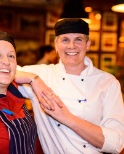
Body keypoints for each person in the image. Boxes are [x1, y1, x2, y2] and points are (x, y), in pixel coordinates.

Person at [15, 18, 124, 154]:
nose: (71, 46)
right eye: (65, 40)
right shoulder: (42, 74)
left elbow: (116, 143)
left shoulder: (107, 82)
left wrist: (66, 117)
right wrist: (34, 79)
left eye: (78, 39)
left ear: (88, 44)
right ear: (56, 44)